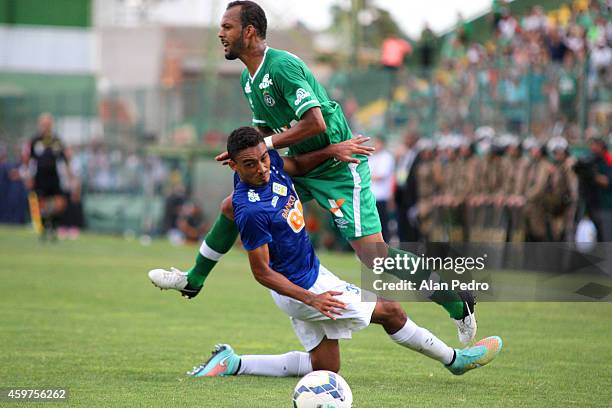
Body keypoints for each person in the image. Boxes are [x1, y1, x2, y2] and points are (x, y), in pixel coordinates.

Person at [149, 1, 477, 344]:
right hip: (305, 163)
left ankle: (457, 301)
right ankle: (195, 278)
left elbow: (315, 121)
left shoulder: (283, 66)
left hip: (338, 166)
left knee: (374, 257)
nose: (221, 34)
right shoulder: (250, 79)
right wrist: (243, 151)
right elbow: (265, 133)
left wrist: (266, 148)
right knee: (233, 205)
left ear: (248, 31)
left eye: (227, 27)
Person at [185, 127, 502, 378]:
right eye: (250, 165)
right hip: (304, 289)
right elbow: (261, 272)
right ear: (234, 165)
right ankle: (455, 360)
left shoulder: (273, 165)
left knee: (326, 366)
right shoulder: (250, 210)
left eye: (263, 159)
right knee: (391, 311)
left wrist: (332, 151)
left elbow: (300, 164)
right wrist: (312, 299)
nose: (262, 169)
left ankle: (233, 363)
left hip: (311, 275)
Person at [24, 113, 74, 239]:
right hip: (39, 176)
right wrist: (27, 176)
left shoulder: (56, 140)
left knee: (60, 202)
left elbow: (65, 159)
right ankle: (39, 225)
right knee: (37, 201)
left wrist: (70, 176)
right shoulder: (35, 140)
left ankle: (51, 223)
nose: (46, 126)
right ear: (40, 125)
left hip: (54, 175)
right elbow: (27, 159)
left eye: (48, 124)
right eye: (43, 124)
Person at [367, 137, 395, 242]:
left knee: (382, 223)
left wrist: (367, 176)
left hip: (382, 196)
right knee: (372, 224)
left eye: (378, 143)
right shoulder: (372, 157)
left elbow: (381, 176)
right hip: (371, 196)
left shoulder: (387, 157)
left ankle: (385, 247)